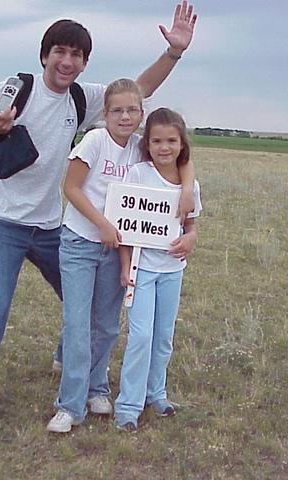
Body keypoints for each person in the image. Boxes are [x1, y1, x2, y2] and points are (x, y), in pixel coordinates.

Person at [0, 3, 199, 441]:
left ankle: (74, 364)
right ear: (45, 56)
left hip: (51, 228)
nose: (67, 61)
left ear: (83, 63)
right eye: (59, 51)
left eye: (76, 55)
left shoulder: (81, 97)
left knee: (87, 306)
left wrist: (173, 52)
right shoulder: (15, 88)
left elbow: (137, 91)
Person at [46, 80, 196, 433]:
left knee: (107, 324)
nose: (125, 117)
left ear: (141, 115)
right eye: (117, 110)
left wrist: (187, 191)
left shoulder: (140, 150)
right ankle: (69, 405)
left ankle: (97, 387)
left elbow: (183, 159)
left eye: (132, 110)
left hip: (117, 248)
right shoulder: (96, 141)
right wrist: (100, 223)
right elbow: (70, 188)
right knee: (78, 325)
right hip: (81, 242)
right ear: (105, 113)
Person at [114, 107, 202, 433]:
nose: (164, 148)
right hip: (141, 269)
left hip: (172, 271)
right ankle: (127, 406)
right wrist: (125, 267)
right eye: (156, 141)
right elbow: (125, 226)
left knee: (164, 337)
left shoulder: (189, 185)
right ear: (146, 143)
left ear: (181, 144)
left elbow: (190, 226)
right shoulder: (138, 174)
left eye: (171, 141)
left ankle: (157, 393)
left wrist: (190, 239)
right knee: (140, 336)